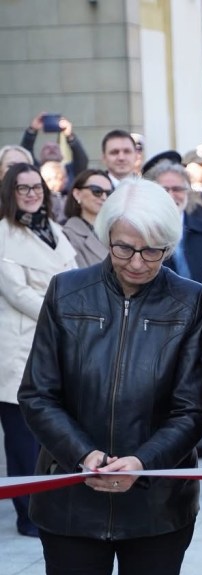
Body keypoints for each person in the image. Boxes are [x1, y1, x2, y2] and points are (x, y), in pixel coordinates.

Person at [19, 177, 202, 575]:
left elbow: (192, 408)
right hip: (71, 501)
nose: (138, 262)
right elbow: (37, 394)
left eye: (153, 251)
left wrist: (142, 461)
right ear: (105, 236)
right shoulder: (67, 291)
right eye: (124, 247)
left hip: (156, 505)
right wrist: (85, 456)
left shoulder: (190, 301)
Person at [0, 162, 78, 537]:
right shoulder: (3, 233)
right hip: (19, 347)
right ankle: (26, 515)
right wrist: (63, 315)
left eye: (37, 187)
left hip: (58, 343)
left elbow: (74, 277)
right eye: (23, 188)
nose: (31, 194)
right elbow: (17, 293)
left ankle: (49, 506)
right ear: (10, 193)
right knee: (22, 438)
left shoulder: (54, 230)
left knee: (51, 433)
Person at [62, 168, 114, 267]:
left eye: (108, 193)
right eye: (97, 191)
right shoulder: (67, 235)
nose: (104, 197)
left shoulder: (116, 230)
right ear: (77, 194)